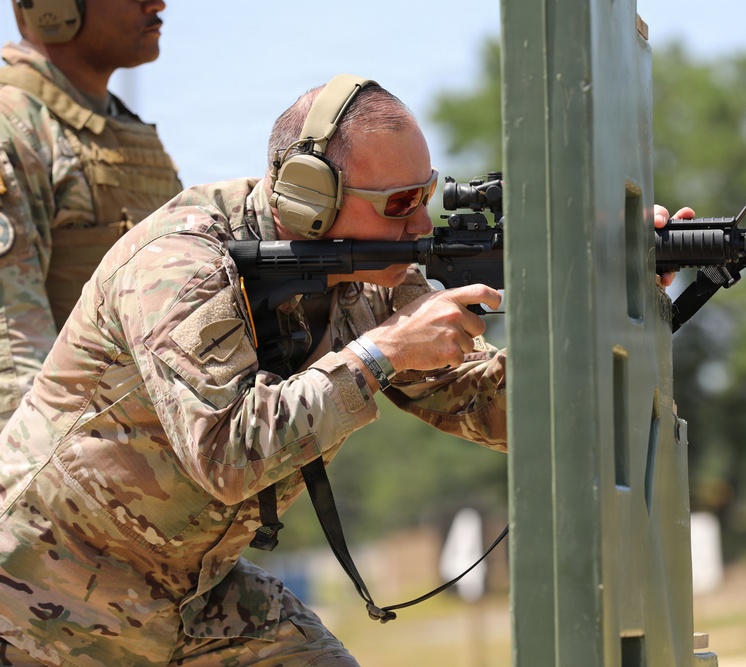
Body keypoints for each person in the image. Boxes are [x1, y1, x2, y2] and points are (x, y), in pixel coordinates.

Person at [0, 73, 691, 666]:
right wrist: (382, 352)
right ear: (309, 197)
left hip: (186, 592)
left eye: (424, 193)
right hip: (38, 595)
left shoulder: (375, 274)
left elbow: (490, 404)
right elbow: (230, 455)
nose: (421, 222)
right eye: (398, 205)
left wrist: (611, 306)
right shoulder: (179, 265)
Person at [0, 0, 182, 429]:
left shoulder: (125, 132)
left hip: (124, 460)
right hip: (55, 468)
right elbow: (11, 349)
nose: (157, 4)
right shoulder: (15, 130)